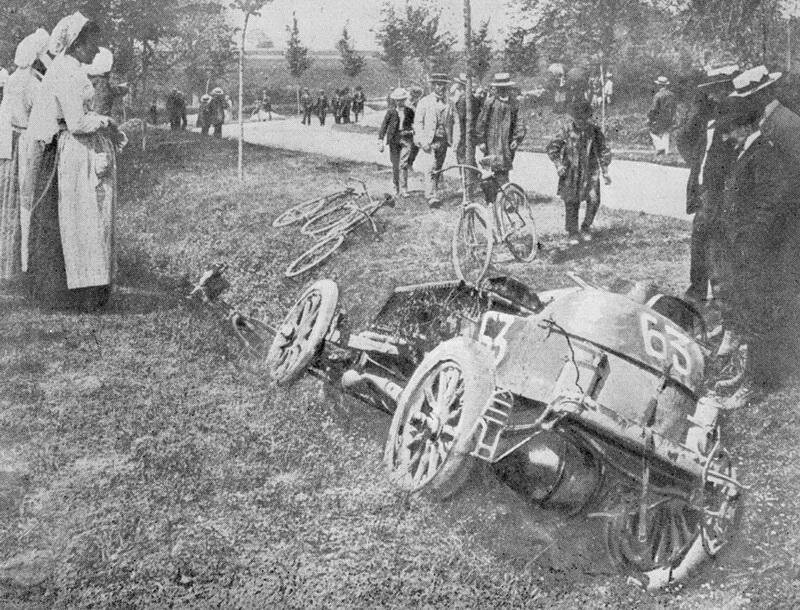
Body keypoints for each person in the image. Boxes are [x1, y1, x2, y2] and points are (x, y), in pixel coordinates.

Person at [27, 12, 117, 310]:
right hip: (74, 150)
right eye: (92, 42)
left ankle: (85, 285)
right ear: (77, 43)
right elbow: (76, 122)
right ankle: (78, 289)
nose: (95, 49)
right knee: (79, 219)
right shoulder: (67, 71)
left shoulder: (72, 68)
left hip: (78, 148)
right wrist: (103, 121)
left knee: (81, 219)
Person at [714, 86, 794, 409]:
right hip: (748, 253)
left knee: (760, 316)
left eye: (730, 131)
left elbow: (770, 206)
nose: (727, 138)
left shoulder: (765, 154)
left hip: (761, 254)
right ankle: (749, 374)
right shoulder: (750, 151)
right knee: (750, 313)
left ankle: (757, 384)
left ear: (745, 126)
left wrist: (749, 241)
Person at [675, 62, 740, 311]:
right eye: (711, 90)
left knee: (717, 243)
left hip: (720, 190)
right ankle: (697, 290)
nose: (714, 94)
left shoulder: (735, 116)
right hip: (702, 188)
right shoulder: (704, 114)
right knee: (700, 240)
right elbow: (684, 138)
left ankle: (720, 295)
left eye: (718, 89)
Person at [0, 28, 50, 283]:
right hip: (26, 143)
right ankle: (24, 267)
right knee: (27, 202)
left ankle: (10, 265)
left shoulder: (13, 79)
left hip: (10, 143)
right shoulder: (32, 82)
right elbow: (42, 117)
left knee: (10, 204)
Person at [546, 99, 612, 245]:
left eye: (584, 118)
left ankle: (586, 227)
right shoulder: (566, 129)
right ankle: (572, 232)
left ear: (588, 117)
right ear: (573, 117)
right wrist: (558, 165)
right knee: (571, 201)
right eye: (578, 118)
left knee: (594, 200)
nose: (581, 121)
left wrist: (605, 171)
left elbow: (603, 150)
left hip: (590, 171)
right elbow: (552, 147)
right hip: (571, 171)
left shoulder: (594, 131)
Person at [476, 73, 527, 190]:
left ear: (509, 88)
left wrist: (517, 139)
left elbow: (520, 122)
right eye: (500, 88)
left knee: (504, 168)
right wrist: (481, 141)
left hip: (507, 142)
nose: (502, 91)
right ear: (496, 89)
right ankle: (494, 196)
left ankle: (503, 194)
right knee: (491, 168)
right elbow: (481, 122)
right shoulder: (490, 102)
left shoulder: (514, 103)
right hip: (491, 141)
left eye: (505, 88)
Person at [413, 73, 451, 207]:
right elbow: (418, 123)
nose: (441, 88)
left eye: (443, 85)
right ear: (433, 85)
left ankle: (434, 191)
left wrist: (453, 139)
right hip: (429, 140)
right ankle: (431, 196)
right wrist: (422, 141)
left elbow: (454, 121)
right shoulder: (425, 101)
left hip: (443, 140)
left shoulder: (448, 102)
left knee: (438, 168)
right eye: (438, 85)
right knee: (430, 166)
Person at [378, 87, 415, 197]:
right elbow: (384, 126)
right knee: (395, 165)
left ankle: (404, 189)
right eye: (398, 100)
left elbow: (416, 124)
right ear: (395, 100)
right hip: (394, 139)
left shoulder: (409, 111)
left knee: (403, 164)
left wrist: (412, 131)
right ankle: (396, 188)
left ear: (405, 100)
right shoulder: (391, 112)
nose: (400, 102)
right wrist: (380, 140)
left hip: (406, 139)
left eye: (402, 100)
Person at [648, 76, 677, 156]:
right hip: (670, 116)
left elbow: (654, 108)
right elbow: (675, 106)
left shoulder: (658, 95)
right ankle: (666, 150)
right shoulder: (672, 95)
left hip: (660, 117)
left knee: (653, 132)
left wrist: (650, 117)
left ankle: (660, 148)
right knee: (666, 133)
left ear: (659, 85)